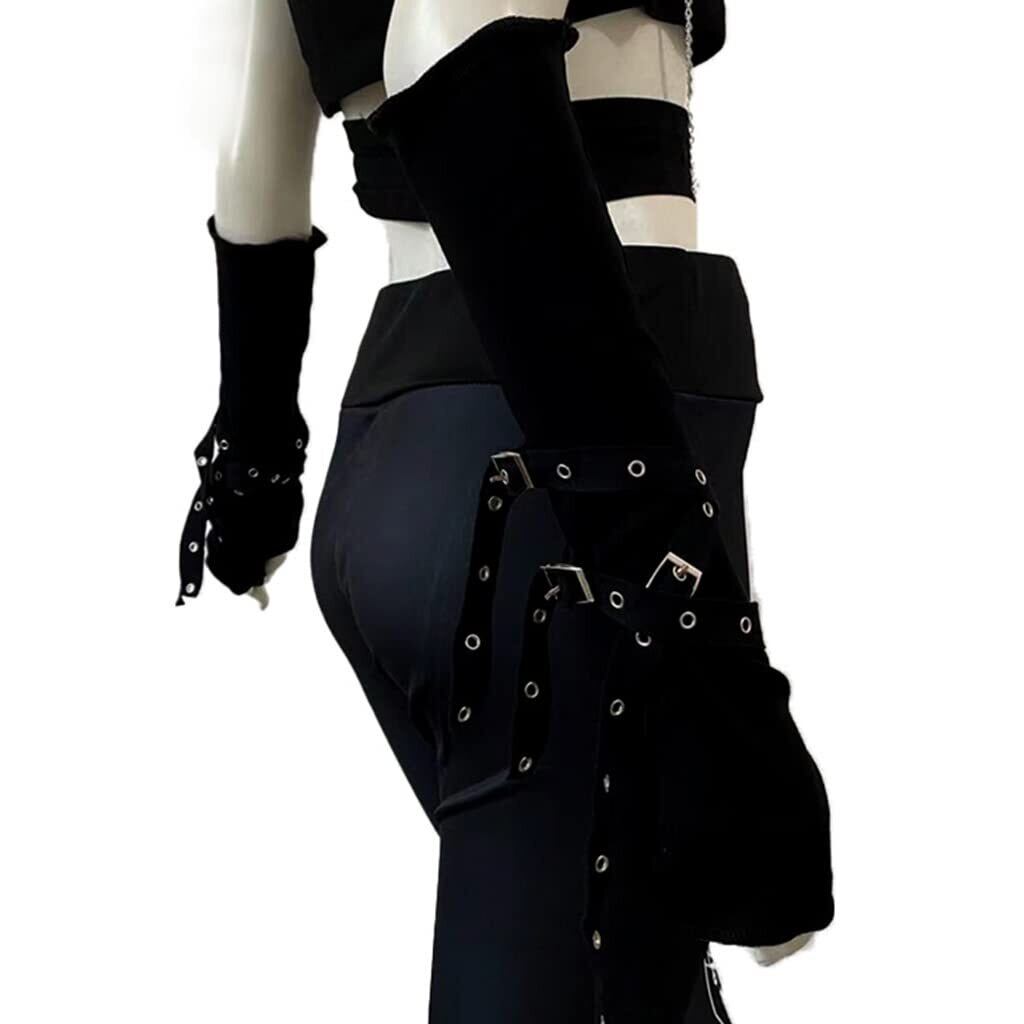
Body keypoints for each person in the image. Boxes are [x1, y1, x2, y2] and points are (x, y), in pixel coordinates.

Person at [176, 3, 834, 1020]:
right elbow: (451, 41)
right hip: (562, 481)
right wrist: (702, 654)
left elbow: (250, 123)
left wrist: (252, 465)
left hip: (414, 448)